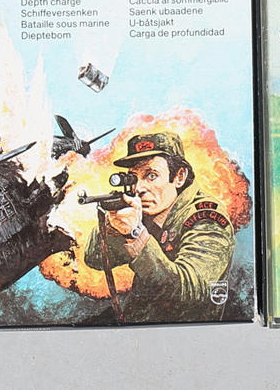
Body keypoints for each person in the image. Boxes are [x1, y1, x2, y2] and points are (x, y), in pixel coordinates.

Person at [83, 131, 235, 323]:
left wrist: (136, 234)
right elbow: (95, 259)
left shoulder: (207, 218)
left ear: (179, 177)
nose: (139, 188)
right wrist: (112, 229)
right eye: (133, 178)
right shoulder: (147, 211)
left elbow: (188, 291)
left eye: (151, 176)